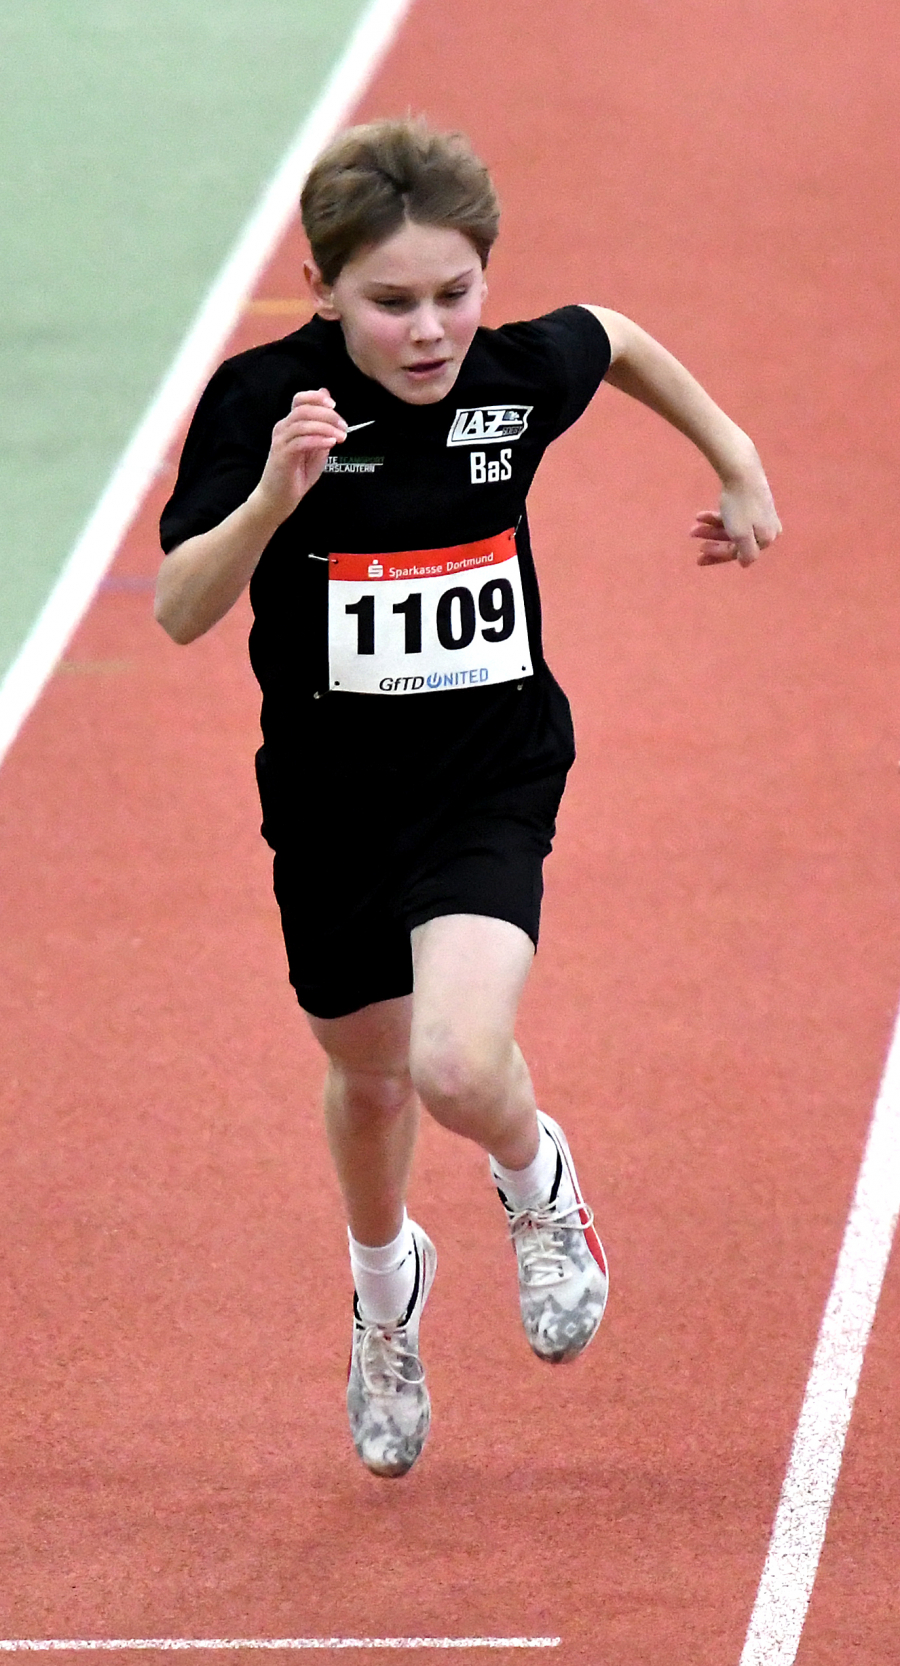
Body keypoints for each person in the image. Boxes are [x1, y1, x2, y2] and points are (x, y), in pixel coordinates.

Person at [155, 117, 781, 1480]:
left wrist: (735, 460)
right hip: (328, 804)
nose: (430, 329)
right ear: (321, 290)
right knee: (369, 1077)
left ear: (485, 278)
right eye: (390, 303)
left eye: (455, 291)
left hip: (489, 780)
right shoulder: (267, 401)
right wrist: (273, 496)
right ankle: (387, 1299)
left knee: (451, 1062)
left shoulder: (510, 377)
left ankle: (536, 1182)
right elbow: (178, 608)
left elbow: (608, 334)